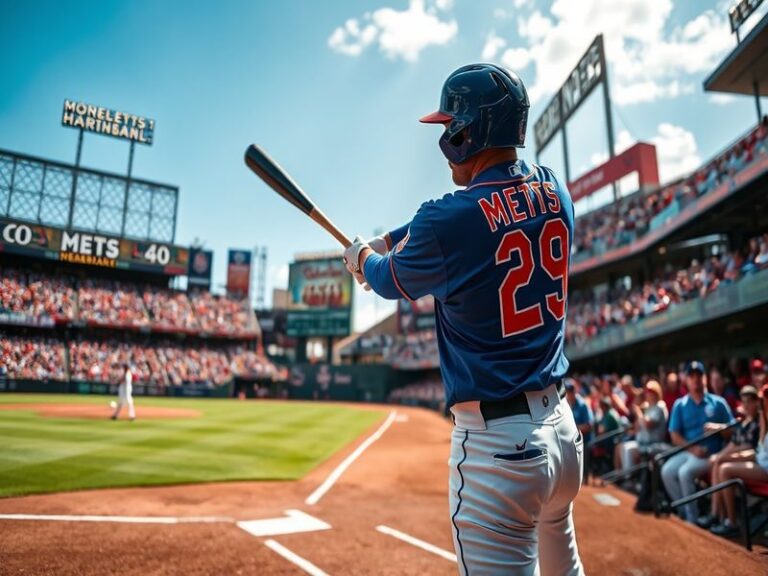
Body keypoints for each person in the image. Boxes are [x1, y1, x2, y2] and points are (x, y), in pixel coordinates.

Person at [343, 64, 584, 575]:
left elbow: (385, 279)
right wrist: (388, 239)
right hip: (563, 435)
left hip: (499, 450)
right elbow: (468, 214)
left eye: (450, 124)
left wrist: (363, 256)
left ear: (468, 131)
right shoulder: (555, 190)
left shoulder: (446, 219)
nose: (445, 136)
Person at [661, 361, 734, 523]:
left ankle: (692, 520)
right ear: (686, 380)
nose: (695, 379)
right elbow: (674, 435)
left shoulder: (718, 402)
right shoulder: (680, 404)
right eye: (691, 376)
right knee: (666, 471)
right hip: (689, 452)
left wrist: (719, 428)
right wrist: (692, 449)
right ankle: (685, 511)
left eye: (699, 375)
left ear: (705, 378)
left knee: (684, 473)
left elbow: (734, 431)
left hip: (711, 454)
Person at [703, 385, 761, 534]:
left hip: (754, 461)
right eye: (744, 402)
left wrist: (724, 456)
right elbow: (734, 444)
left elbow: (749, 447)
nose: (746, 406)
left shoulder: (759, 422)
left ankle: (730, 521)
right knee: (717, 462)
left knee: (723, 468)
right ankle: (719, 515)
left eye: (749, 401)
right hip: (744, 459)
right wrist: (720, 456)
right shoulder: (744, 422)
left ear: (757, 402)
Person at [615, 380, 669, 473]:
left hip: (654, 443)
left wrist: (639, 413)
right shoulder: (647, 408)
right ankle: (627, 476)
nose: (648, 394)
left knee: (629, 450)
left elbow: (648, 424)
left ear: (656, 393)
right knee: (625, 447)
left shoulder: (659, 407)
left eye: (651, 392)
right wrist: (638, 413)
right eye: (647, 392)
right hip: (643, 443)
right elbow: (638, 428)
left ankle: (630, 477)